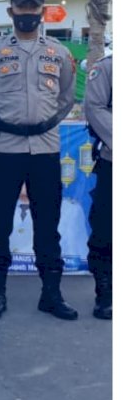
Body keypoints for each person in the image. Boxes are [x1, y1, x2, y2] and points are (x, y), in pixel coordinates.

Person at [0, 0, 77, 321]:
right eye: (23, 8)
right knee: (0, 222)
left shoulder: (59, 53)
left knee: (48, 225)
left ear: (43, 12)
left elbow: (65, 99)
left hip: (46, 150)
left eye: (34, 8)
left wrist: (44, 125)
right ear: (11, 12)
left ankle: (51, 294)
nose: (29, 14)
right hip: (6, 149)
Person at [84, 55, 112, 319]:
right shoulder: (107, 68)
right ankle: (106, 294)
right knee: (106, 231)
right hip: (113, 162)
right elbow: (94, 107)